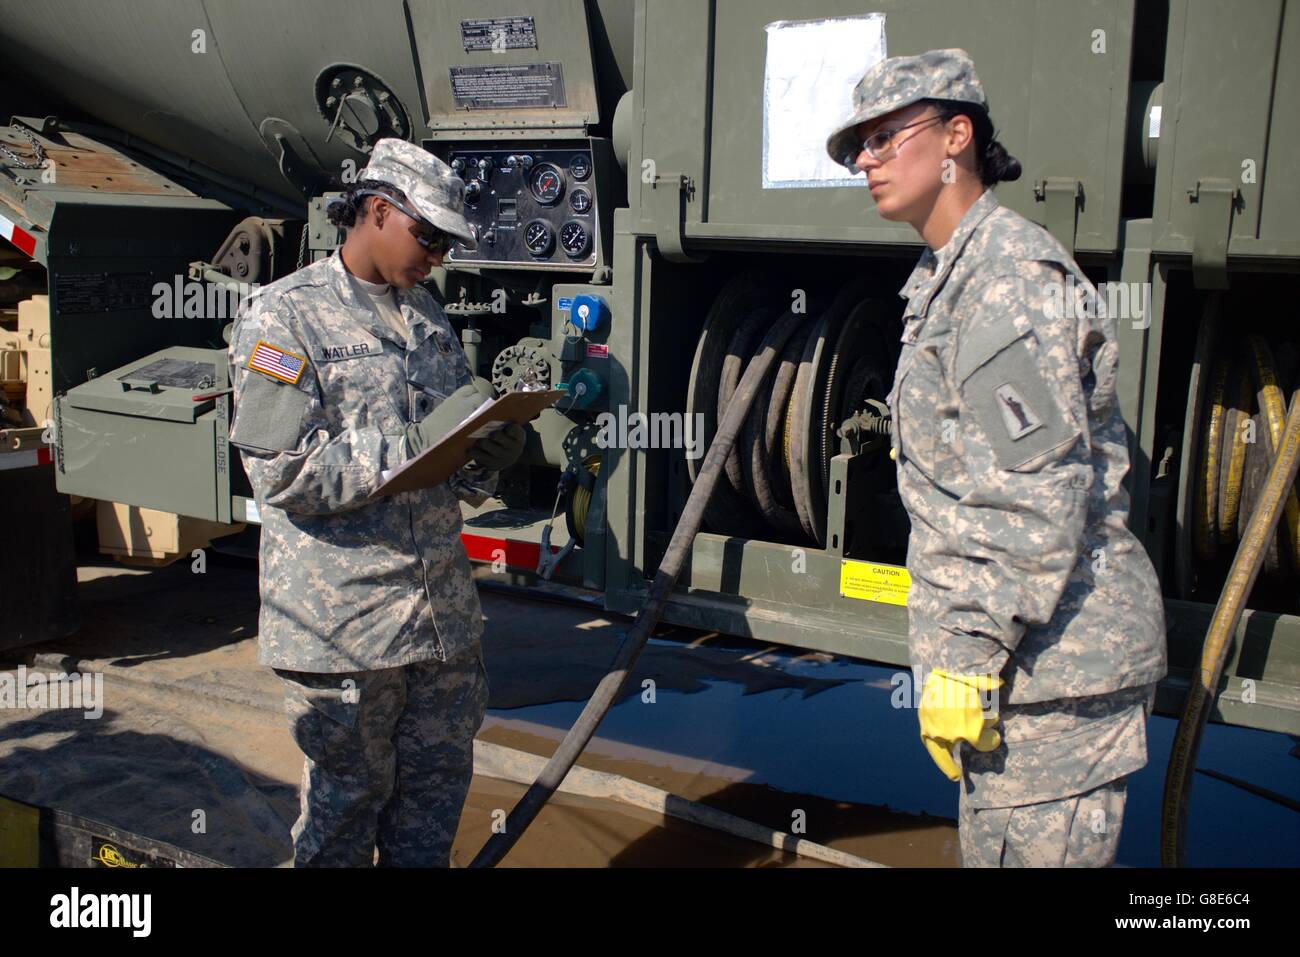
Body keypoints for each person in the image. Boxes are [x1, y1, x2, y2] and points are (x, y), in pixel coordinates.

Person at [825, 50, 1167, 866]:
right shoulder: (950, 274)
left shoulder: (1007, 277)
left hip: (1056, 671)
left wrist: (967, 658)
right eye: (854, 150)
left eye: (881, 138)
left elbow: (1033, 492)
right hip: (1017, 669)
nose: (865, 162)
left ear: (956, 136)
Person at [227, 137, 525, 866]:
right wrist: (415, 445)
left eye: (448, 244)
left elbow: (446, 465)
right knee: (344, 814)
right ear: (376, 210)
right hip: (346, 631)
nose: (437, 257)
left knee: (431, 812)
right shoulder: (283, 318)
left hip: (440, 624)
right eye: (428, 236)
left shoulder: (426, 314)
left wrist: (483, 459)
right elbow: (282, 471)